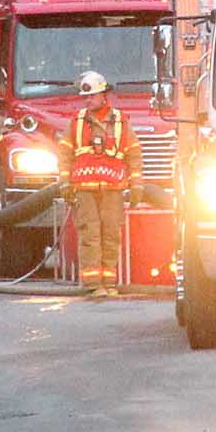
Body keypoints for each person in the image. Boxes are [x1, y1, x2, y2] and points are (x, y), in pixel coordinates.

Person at [58, 70, 142, 296]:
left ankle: (110, 283)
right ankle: (94, 284)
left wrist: (137, 186)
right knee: (90, 234)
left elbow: (134, 154)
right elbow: (65, 154)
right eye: (85, 96)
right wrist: (64, 183)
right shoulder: (76, 123)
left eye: (92, 96)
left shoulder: (120, 121)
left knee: (111, 234)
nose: (87, 100)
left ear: (104, 95)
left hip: (112, 189)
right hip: (84, 190)